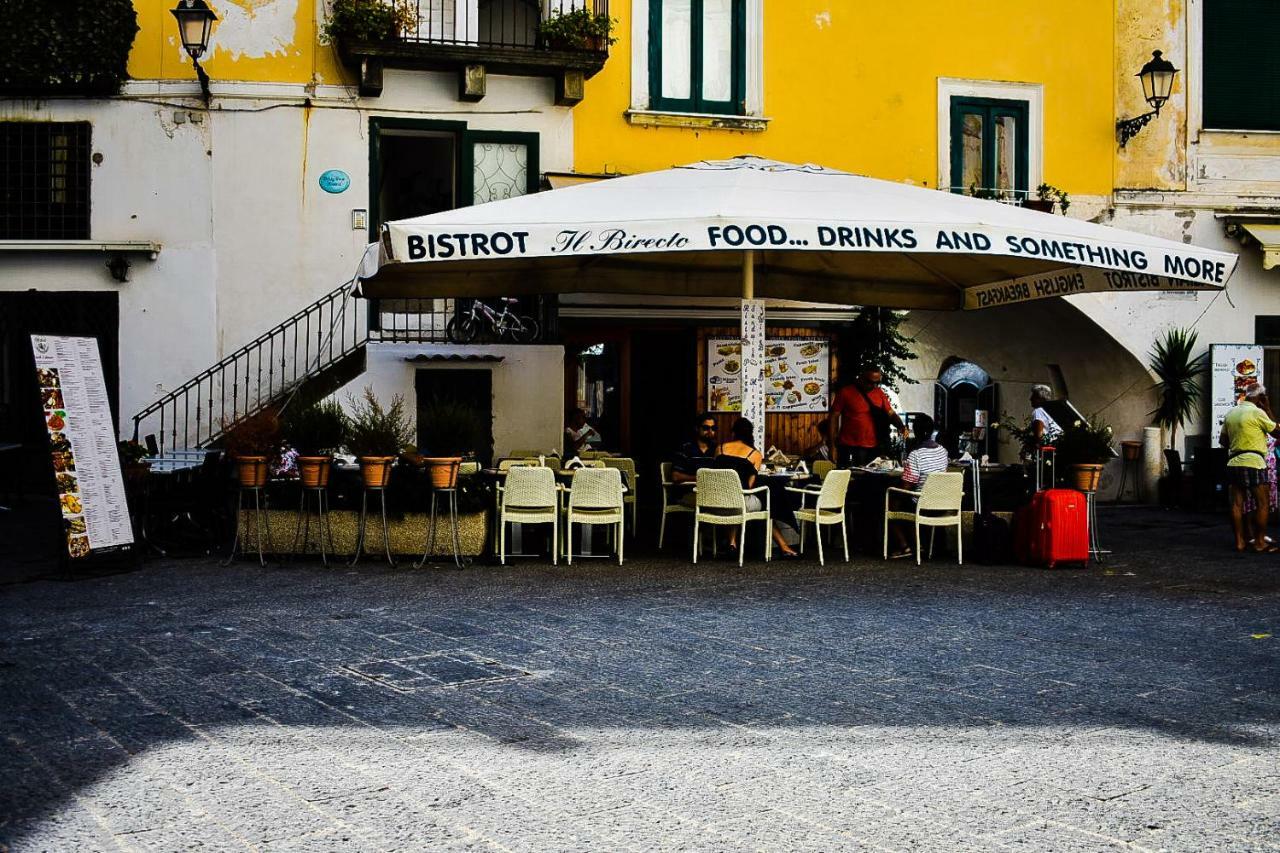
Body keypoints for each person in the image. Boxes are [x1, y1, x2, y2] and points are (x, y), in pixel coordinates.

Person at [713, 417, 800, 558]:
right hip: (738, 501)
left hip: (715, 499)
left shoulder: (720, 448)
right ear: (750, 434)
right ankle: (783, 545)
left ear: (733, 432)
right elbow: (749, 487)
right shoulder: (754, 454)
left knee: (734, 498)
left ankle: (732, 542)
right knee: (765, 502)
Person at [1222, 383, 1280, 553]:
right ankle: (1260, 542)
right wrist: (1268, 408)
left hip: (1233, 461)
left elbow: (1224, 441)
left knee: (1237, 504)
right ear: (1260, 397)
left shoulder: (1231, 413)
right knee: (1262, 503)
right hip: (1254, 462)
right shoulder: (1257, 412)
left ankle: (1239, 542)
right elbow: (1276, 433)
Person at [886, 414, 951, 559]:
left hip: (923, 503)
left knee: (891, 502)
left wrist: (896, 489)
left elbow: (907, 485)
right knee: (905, 501)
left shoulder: (915, 455)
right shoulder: (943, 451)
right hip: (942, 502)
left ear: (916, 432)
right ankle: (917, 543)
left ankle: (905, 546)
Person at [831, 368, 906, 467]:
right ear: (861, 378)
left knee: (869, 479)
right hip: (848, 445)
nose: (874, 385)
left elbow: (891, 413)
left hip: (873, 447)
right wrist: (832, 445)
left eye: (877, 383)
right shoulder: (845, 392)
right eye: (870, 382)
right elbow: (833, 418)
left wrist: (901, 426)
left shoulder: (879, 393)